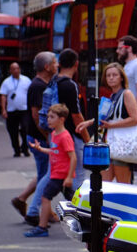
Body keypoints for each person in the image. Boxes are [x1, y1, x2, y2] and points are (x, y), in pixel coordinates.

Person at [24, 48, 90, 224]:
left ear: (60, 64)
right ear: (76, 64)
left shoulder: (53, 82)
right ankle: (78, 216)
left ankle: (33, 210)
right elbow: (76, 115)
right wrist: (88, 139)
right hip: (70, 136)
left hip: (56, 134)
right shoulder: (70, 85)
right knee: (78, 175)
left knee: (50, 175)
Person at [11, 52, 56, 224]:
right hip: (39, 137)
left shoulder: (41, 84)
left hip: (38, 136)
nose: (57, 65)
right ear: (47, 67)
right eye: (54, 62)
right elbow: (36, 116)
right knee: (48, 176)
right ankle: (34, 210)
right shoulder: (38, 86)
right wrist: (48, 136)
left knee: (44, 174)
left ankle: (23, 200)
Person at [77, 63, 137, 184]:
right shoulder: (112, 96)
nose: (111, 78)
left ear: (121, 77)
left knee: (123, 184)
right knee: (104, 183)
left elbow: (135, 119)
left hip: (122, 143)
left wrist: (111, 125)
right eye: (108, 75)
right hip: (110, 143)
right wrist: (89, 123)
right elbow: (105, 118)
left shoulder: (126, 94)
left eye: (114, 75)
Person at [24, 104, 75, 237]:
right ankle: (87, 224)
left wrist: (69, 177)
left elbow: (73, 157)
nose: (48, 120)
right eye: (48, 117)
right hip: (56, 174)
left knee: (45, 197)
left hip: (61, 175)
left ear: (61, 119)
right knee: (73, 201)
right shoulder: (54, 134)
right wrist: (40, 149)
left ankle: (42, 227)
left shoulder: (64, 136)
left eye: (52, 117)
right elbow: (55, 151)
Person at [0, 62, 31, 157]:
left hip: (24, 109)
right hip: (12, 110)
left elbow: (30, 93)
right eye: (13, 69)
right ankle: (16, 150)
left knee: (26, 128)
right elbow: (3, 96)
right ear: (10, 71)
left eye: (17, 68)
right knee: (13, 131)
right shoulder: (6, 82)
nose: (16, 70)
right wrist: (3, 109)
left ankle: (25, 148)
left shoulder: (26, 80)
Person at [117, 35, 137, 103]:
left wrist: (135, 107)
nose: (117, 51)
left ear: (129, 49)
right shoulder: (127, 65)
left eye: (120, 48)